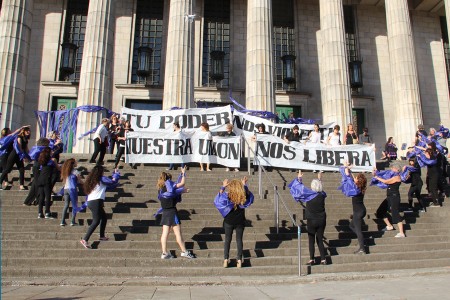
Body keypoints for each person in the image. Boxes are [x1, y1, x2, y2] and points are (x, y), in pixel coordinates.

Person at [288, 171, 327, 265]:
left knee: (311, 239)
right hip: (321, 219)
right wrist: (319, 179)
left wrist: (299, 179)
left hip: (311, 220)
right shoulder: (322, 195)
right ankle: (323, 259)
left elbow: (300, 189)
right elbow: (320, 189)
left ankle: (312, 259)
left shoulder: (309, 195)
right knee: (320, 239)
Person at [214, 176, 254, 268]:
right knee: (239, 240)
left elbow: (218, 200)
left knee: (227, 240)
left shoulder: (227, 196)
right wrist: (244, 185)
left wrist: (223, 187)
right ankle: (239, 260)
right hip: (240, 221)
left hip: (229, 221)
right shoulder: (243, 196)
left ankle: (225, 259)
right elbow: (250, 196)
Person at [157, 166, 195, 259]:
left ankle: (164, 252)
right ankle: (184, 251)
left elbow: (175, 192)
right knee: (178, 234)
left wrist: (182, 191)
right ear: (169, 180)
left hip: (165, 212)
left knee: (165, 233)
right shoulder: (170, 186)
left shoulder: (161, 190)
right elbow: (182, 183)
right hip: (172, 212)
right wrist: (183, 173)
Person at [80, 166, 120, 249]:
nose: (103, 173)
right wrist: (116, 174)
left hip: (92, 201)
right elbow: (112, 182)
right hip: (96, 201)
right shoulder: (101, 178)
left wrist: (116, 182)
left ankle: (102, 236)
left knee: (104, 218)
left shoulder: (93, 180)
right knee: (96, 221)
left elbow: (107, 187)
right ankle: (85, 239)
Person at [338, 163, 367, 254]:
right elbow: (351, 180)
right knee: (351, 226)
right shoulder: (359, 187)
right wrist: (348, 170)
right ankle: (361, 238)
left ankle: (362, 247)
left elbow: (349, 181)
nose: (355, 178)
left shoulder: (357, 189)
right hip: (359, 211)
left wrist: (347, 171)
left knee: (358, 230)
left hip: (359, 212)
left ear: (358, 181)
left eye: (357, 178)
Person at [373, 164, 406, 238]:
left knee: (395, 213)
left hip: (394, 197)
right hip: (389, 197)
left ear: (397, 170)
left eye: (393, 168)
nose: (391, 169)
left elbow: (386, 181)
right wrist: (377, 172)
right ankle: (389, 225)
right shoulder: (393, 176)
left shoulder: (397, 177)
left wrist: (377, 177)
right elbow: (385, 175)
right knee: (380, 211)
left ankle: (401, 232)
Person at [0, 126, 31, 190]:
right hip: (14, 155)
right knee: (7, 169)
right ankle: (0, 182)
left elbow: (26, 149)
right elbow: (19, 147)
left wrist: (31, 156)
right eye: (27, 130)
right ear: (23, 131)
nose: (29, 132)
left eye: (29, 130)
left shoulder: (26, 139)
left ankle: (21, 185)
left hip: (19, 156)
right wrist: (24, 156)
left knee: (22, 169)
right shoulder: (19, 137)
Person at [23, 138, 51, 206]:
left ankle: (38, 200)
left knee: (37, 184)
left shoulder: (36, 148)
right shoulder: (42, 149)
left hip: (37, 167)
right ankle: (28, 201)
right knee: (36, 184)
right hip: (38, 167)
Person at [36, 147, 59, 219]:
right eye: (51, 151)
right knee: (48, 196)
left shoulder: (41, 160)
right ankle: (47, 212)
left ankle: (40, 213)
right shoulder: (52, 160)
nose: (52, 152)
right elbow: (58, 168)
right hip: (47, 180)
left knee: (41, 196)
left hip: (40, 179)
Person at [60, 158, 83, 226]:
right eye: (75, 162)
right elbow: (80, 181)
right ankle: (72, 221)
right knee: (74, 205)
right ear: (73, 164)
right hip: (72, 189)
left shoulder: (65, 171)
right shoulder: (76, 172)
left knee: (66, 205)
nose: (76, 163)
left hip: (65, 189)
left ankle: (62, 221)